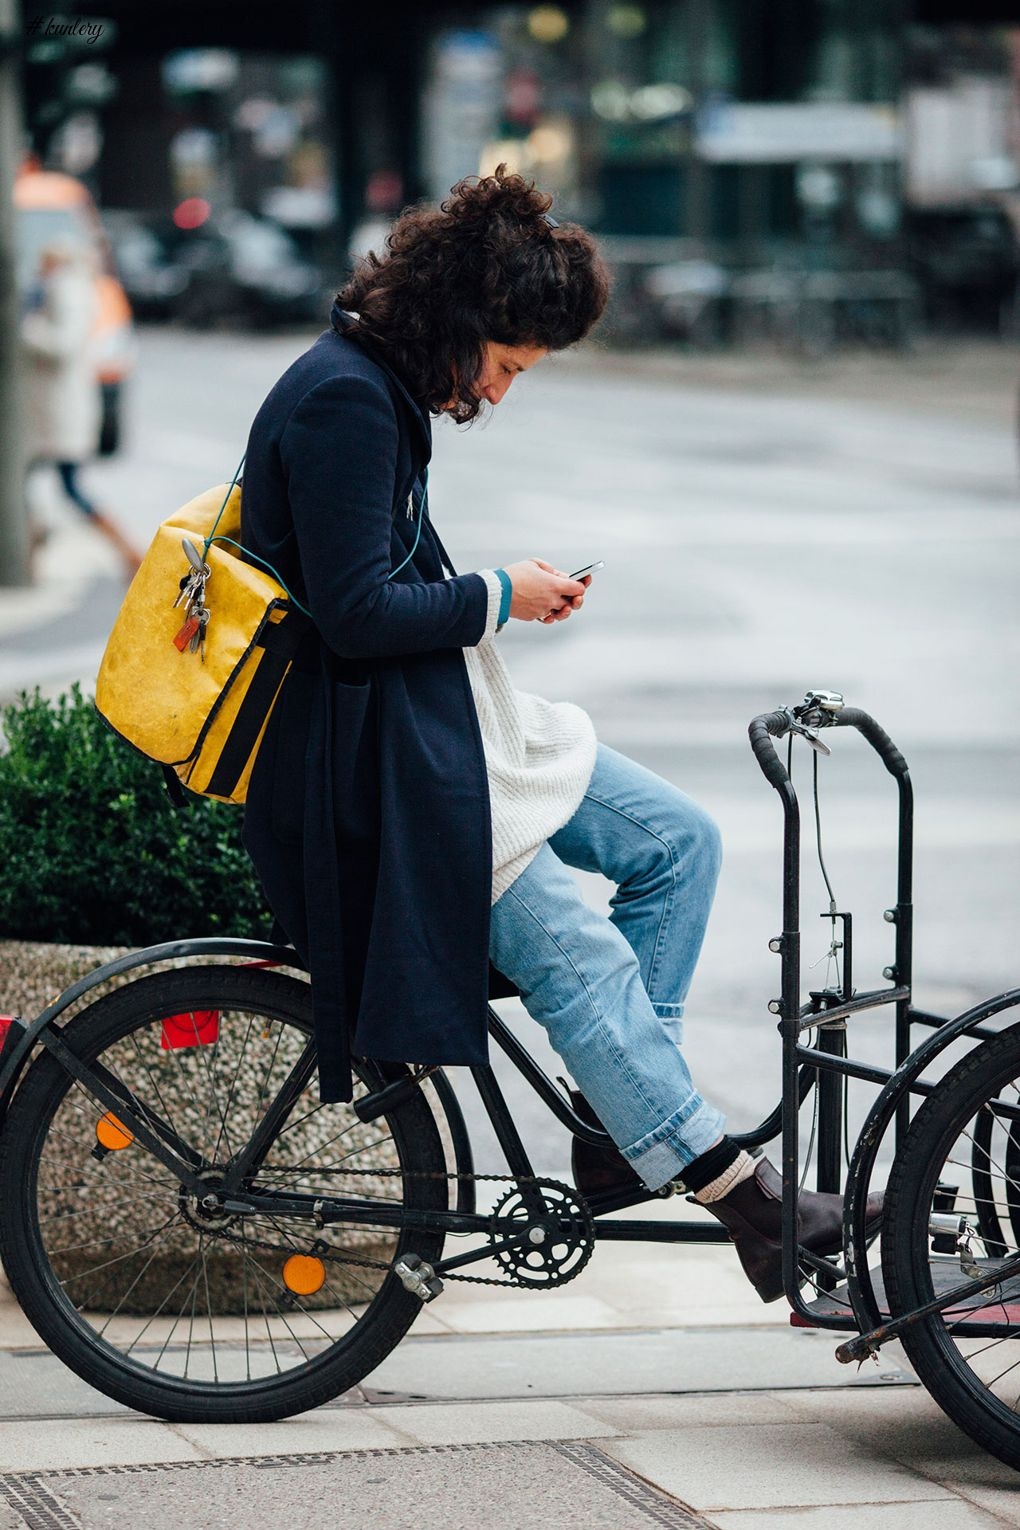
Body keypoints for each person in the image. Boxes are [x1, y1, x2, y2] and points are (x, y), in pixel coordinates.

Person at [240, 166, 881, 1304]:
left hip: (435, 723)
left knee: (676, 842)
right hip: (380, 766)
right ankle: (755, 1208)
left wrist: (496, 593)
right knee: (577, 957)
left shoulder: (378, 384)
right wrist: (501, 593)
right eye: (504, 365)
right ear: (455, 322)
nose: (501, 391)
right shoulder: (345, 397)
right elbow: (355, 612)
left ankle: (614, 1125)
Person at [21, 238, 141, 579]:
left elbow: (63, 344)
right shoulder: (70, 288)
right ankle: (33, 545)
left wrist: (26, 329)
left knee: (67, 487)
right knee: (36, 483)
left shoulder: (67, 291)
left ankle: (128, 551)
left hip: (60, 413)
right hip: (53, 412)